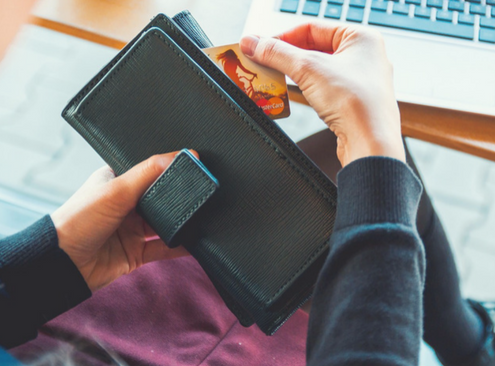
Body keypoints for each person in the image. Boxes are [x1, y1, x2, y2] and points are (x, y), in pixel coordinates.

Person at [0, 4, 493, 366]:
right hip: (109, 333)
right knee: (374, 179)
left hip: (58, 306)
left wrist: (48, 262)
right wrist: (374, 145)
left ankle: (469, 341)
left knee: (335, 180)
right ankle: (471, 346)